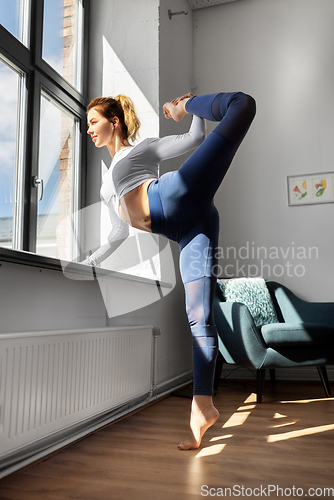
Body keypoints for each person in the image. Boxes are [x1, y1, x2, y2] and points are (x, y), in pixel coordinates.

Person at [86, 91, 256, 449]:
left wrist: (186, 108)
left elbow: (194, 139)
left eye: (93, 122)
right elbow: (118, 230)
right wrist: (93, 261)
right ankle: (202, 406)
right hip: (189, 229)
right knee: (198, 315)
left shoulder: (142, 149)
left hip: (178, 193)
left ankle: (190, 100)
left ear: (113, 122)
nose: (89, 130)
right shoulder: (105, 184)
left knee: (242, 105)